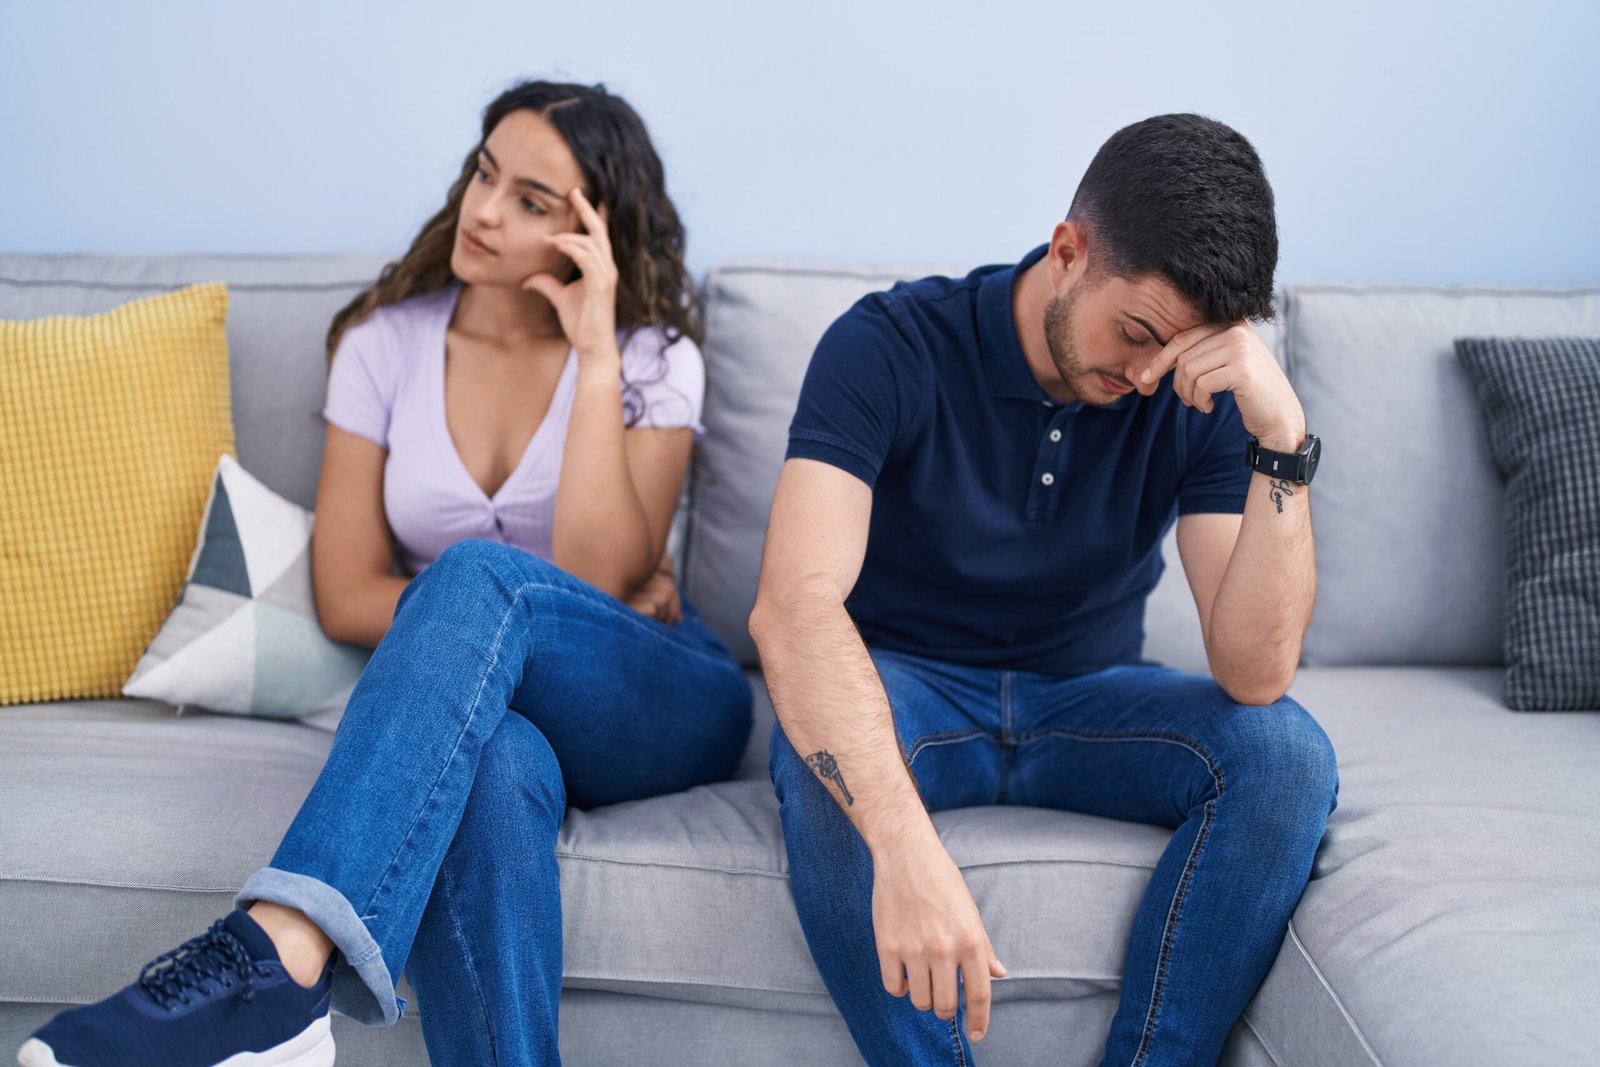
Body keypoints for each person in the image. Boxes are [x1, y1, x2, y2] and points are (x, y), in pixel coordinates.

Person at [19, 79, 752, 1067]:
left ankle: (273, 961)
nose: (483, 211)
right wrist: (473, 641)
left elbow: (596, 573)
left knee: (475, 576)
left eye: (532, 201)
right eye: (484, 173)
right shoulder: (384, 342)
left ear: (596, 234)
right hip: (487, 715)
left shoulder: (650, 353)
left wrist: (593, 355)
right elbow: (345, 589)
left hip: (655, 691)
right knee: (491, 762)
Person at [748, 113, 1337, 1067]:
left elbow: (1256, 671)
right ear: (1069, 251)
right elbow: (794, 608)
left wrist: (1281, 439)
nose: (1147, 378)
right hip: (911, 686)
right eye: (1137, 333)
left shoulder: (1195, 395)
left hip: (1091, 698)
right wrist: (902, 847)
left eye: (1177, 353)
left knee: (1288, 756)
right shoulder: (888, 345)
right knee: (827, 753)